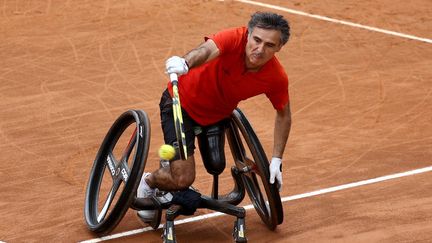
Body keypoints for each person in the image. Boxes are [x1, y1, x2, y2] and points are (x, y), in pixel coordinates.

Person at [137, 11, 292, 217]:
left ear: (279, 47)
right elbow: (205, 50)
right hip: (180, 105)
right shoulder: (233, 38)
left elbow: (283, 114)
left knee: (216, 165)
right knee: (182, 179)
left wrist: (276, 160)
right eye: (256, 40)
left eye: (270, 45)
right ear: (248, 35)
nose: (260, 49)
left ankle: (173, 167)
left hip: (217, 116)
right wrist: (185, 63)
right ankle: (149, 181)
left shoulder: (276, 77)